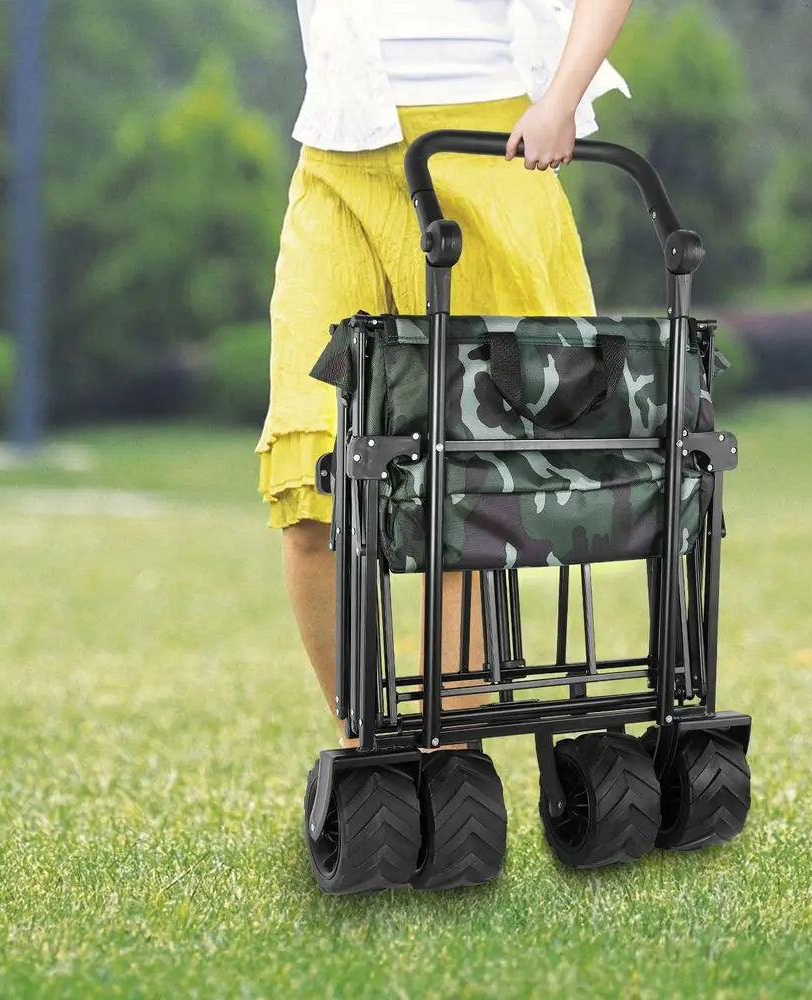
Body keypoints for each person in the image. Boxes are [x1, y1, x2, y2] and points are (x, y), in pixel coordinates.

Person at [256, 0, 633, 746]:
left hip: (491, 149)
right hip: (339, 155)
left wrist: (560, 99)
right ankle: (367, 756)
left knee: (464, 496)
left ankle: (447, 766)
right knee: (313, 485)